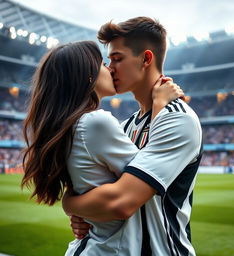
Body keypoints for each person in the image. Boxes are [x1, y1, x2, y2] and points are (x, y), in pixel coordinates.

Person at [21, 40, 183, 255]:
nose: (110, 68)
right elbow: (144, 178)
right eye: (102, 64)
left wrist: (71, 203)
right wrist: (159, 107)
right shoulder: (94, 123)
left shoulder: (74, 125)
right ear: (89, 76)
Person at [63, 17, 203, 256]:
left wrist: (70, 204)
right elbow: (99, 191)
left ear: (146, 59)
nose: (109, 68)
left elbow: (121, 202)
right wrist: (83, 211)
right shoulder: (124, 125)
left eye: (117, 59)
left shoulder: (178, 119)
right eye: (108, 61)